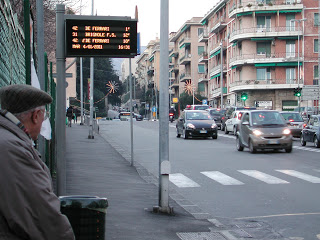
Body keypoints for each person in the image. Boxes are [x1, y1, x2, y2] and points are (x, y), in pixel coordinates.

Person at [0, 84, 75, 240]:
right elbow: (40, 213)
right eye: (44, 116)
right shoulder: (13, 149)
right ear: (35, 116)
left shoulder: (7, 138)